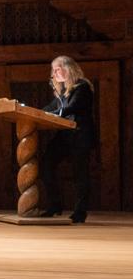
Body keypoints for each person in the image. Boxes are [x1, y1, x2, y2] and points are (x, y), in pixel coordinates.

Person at [41, 55, 97, 223]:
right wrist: (30, 112)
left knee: (80, 174)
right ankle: (55, 205)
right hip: (65, 136)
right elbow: (47, 109)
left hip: (80, 135)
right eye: (53, 70)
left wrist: (49, 114)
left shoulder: (82, 86)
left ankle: (80, 213)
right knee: (46, 164)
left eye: (57, 68)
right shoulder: (63, 92)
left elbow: (70, 109)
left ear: (69, 68)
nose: (54, 73)